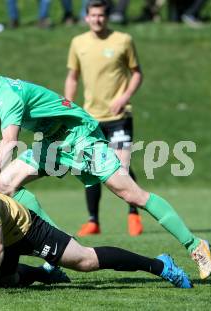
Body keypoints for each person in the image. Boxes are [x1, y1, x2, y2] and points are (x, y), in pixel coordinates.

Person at [0, 56, 211, 281]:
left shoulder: (8, 97)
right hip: (55, 142)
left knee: (131, 194)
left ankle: (194, 245)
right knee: (6, 183)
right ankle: (59, 244)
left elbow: (9, 142)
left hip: (80, 137)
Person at [0, 144, 193, 295]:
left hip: (27, 229)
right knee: (6, 282)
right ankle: (46, 274)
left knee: (85, 261)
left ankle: (159, 264)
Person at [65, 0, 143, 237]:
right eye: (93, 15)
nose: (97, 19)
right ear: (86, 17)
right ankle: (93, 221)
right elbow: (73, 76)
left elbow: (137, 73)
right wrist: (67, 106)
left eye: (101, 15)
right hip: (90, 119)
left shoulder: (123, 40)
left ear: (106, 17)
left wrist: (125, 96)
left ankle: (133, 214)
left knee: (121, 166)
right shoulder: (78, 43)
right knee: (90, 168)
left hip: (119, 117)